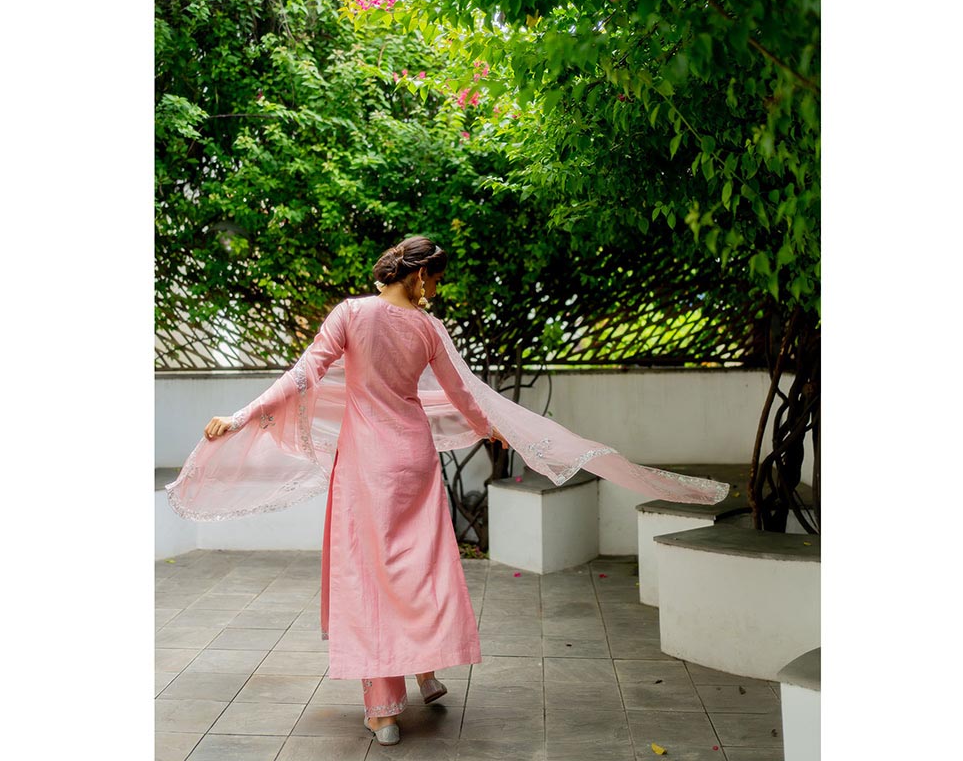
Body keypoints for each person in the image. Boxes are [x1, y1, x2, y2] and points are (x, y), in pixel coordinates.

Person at [168, 235, 729, 747]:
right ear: (418, 275)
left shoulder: (351, 314)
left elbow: (302, 376)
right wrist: (495, 430)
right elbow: (465, 395)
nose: (435, 290)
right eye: (435, 279)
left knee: (373, 577)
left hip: (366, 464)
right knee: (420, 567)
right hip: (414, 459)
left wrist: (240, 417)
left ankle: (383, 711)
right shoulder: (428, 329)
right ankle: (426, 671)